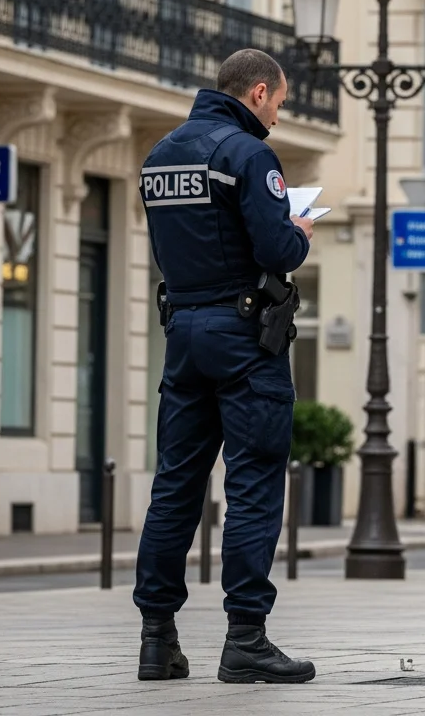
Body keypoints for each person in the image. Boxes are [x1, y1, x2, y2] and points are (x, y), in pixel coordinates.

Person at [133, 48, 317, 685]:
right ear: (259, 92)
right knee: (254, 485)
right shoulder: (247, 154)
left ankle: (157, 638)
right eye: (279, 103)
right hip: (243, 337)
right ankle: (246, 638)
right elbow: (275, 247)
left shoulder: (159, 156)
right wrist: (298, 229)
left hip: (182, 331)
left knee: (175, 487)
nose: (277, 114)